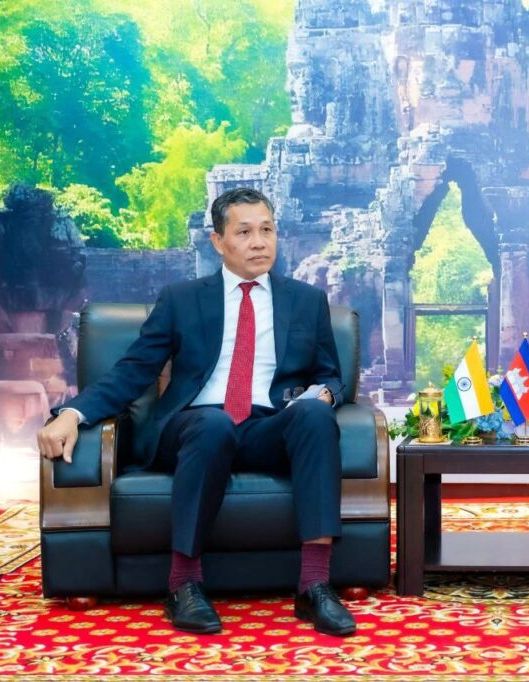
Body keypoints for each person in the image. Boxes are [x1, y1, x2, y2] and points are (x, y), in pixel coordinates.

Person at [36, 187, 355, 637]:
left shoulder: (305, 300)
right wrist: (72, 413)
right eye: (244, 232)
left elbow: (331, 374)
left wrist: (325, 394)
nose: (259, 242)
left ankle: (315, 585)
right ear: (218, 241)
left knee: (315, 416)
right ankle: (183, 585)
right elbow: (132, 371)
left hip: (267, 427)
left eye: (267, 230)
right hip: (193, 428)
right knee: (213, 423)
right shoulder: (181, 299)